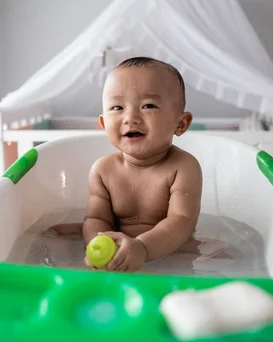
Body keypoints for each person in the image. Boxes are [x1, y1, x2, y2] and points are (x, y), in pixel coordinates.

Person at [82, 56, 203, 272]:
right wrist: (97, 246)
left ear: (181, 123)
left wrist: (143, 248)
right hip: (120, 254)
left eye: (148, 105)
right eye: (117, 107)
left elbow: (181, 221)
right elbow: (96, 218)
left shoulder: (183, 167)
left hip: (171, 255)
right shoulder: (102, 171)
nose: (130, 117)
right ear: (103, 123)